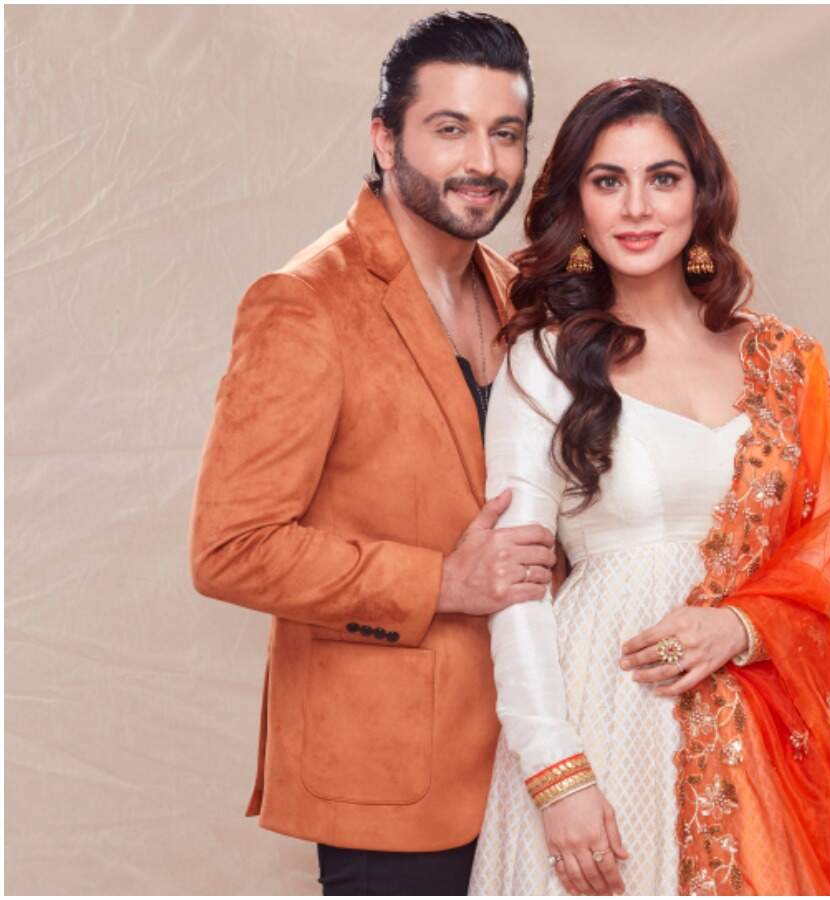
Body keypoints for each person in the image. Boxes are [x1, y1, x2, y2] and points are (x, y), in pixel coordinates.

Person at [468, 77, 830, 896]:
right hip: (604, 713)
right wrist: (555, 773)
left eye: (664, 178)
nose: (637, 207)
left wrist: (740, 627)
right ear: (578, 203)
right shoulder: (544, 361)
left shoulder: (784, 362)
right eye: (609, 181)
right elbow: (517, 589)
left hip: (763, 729)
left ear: (700, 193)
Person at [188, 12, 556, 896]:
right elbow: (230, 547)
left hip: (530, 759)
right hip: (387, 775)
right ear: (385, 139)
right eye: (450, 128)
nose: (484, 161)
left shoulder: (520, 296)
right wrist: (442, 583)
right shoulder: (304, 303)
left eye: (506, 133)